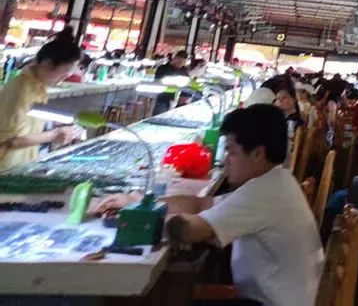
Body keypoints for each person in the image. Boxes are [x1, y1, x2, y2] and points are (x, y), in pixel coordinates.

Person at [103, 104, 323, 306]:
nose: (226, 160)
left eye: (232, 152)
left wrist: (144, 220)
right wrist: (138, 202)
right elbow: (201, 204)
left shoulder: (264, 192)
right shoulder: (275, 181)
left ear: (258, 154)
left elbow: (191, 230)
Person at [0, 30, 81, 170]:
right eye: (63, 73)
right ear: (47, 63)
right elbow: (12, 140)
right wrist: (54, 135)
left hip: (21, 164)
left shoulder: (39, 88)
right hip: (6, 167)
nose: (64, 78)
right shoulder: (21, 89)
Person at [152, 50, 189, 114]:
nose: (181, 64)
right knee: (159, 114)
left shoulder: (184, 71)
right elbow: (157, 81)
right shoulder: (163, 68)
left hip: (177, 100)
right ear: (175, 58)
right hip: (163, 98)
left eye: (183, 62)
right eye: (180, 61)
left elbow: (186, 84)